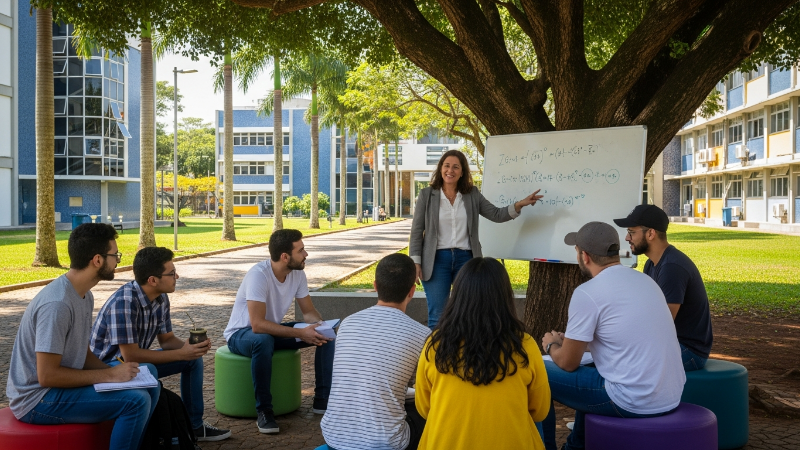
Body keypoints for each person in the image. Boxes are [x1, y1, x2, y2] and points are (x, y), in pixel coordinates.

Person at [5, 223, 160, 450]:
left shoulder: (84, 295)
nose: (117, 260)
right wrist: (109, 376)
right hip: (37, 399)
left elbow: (82, 353)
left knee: (149, 374)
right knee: (136, 401)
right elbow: (47, 376)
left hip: (58, 387)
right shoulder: (57, 304)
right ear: (97, 260)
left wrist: (114, 373)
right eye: (114, 255)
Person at [541, 221, 685, 450]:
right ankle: (576, 446)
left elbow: (568, 363)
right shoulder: (646, 281)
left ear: (584, 256)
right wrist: (568, 342)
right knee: (589, 372)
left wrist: (551, 346)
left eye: (576, 250)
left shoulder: (588, 292)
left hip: (632, 400)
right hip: (669, 394)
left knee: (535, 370)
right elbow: (620, 339)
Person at [90, 246, 231, 441]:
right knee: (150, 368)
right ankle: (154, 437)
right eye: (172, 273)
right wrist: (182, 353)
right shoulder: (124, 302)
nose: (177, 277)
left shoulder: (160, 298)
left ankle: (194, 427)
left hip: (132, 362)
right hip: (107, 367)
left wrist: (191, 348)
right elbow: (130, 356)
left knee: (193, 361)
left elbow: (167, 341)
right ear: (153, 280)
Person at [415, 257, 550, 449]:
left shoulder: (435, 345)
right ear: (505, 296)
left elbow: (424, 407)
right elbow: (540, 411)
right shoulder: (525, 345)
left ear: (458, 295)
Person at [409, 149, 543, 328]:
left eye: (456, 167)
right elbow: (417, 231)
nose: (450, 170)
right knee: (437, 316)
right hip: (435, 261)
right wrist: (415, 261)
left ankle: (465, 354)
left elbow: (496, 214)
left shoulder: (471, 194)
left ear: (462, 172)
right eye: (447, 165)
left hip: (466, 260)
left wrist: (519, 205)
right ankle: (437, 356)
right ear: (440, 168)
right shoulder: (427, 195)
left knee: (467, 313)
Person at [223, 229, 335, 434]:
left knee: (326, 334)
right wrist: (301, 333)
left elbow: (308, 312)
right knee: (263, 340)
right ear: (285, 257)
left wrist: (320, 325)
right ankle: (264, 411)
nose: (306, 254)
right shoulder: (259, 275)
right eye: (301, 250)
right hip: (241, 334)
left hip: (270, 332)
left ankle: (322, 400)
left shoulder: (298, 274)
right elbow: (257, 325)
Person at [321, 253, 431, 450]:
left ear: (375, 286)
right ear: (412, 291)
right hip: (387, 443)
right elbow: (426, 390)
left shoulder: (347, 323)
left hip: (333, 436)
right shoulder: (422, 335)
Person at [614, 204, 713, 371]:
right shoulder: (652, 264)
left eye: (631, 232)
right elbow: (646, 313)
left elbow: (661, 323)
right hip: (669, 343)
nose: (626, 238)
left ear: (651, 233)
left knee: (617, 362)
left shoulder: (672, 267)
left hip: (688, 351)